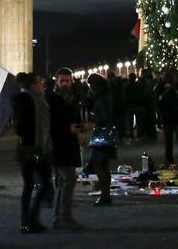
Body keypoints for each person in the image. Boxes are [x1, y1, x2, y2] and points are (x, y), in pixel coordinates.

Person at [11, 73, 53, 233]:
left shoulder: (39, 99)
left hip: (38, 146)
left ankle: (30, 220)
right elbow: (21, 126)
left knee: (35, 184)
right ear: (32, 85)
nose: (42, 84)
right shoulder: (26, 100)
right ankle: (28, 220)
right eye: (39, 81)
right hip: (31, 148)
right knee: (38, 184)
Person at [48, 68, 84, 231]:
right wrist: (67, 129)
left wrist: (79, 125)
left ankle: (58, 219)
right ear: (56, 81)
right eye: (61, 80)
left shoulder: (73, 98)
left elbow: (75, 117)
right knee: (69, 180)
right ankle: (65, 218)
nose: (64, 83)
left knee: (63, 183)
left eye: (67, 80)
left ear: (72, 81)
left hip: (70, 144)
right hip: (58, 145)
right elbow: (50, 124)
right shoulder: (52, 99)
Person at [86, 72, 117, 206]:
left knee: (100, 166)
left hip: (101, 136)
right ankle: (106, 195)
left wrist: (93, 118)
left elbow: (104, 117)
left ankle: (105, 196)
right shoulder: (106, 95)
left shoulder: (100, 98)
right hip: (107, 135)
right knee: (104, 166)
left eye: (91, 85)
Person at [156, 70, 178, 166]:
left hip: (167, 117)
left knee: (169, 140)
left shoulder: (161, 87)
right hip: (176, 116)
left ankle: (169, 159)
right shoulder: (176, 87)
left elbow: (157, 100)